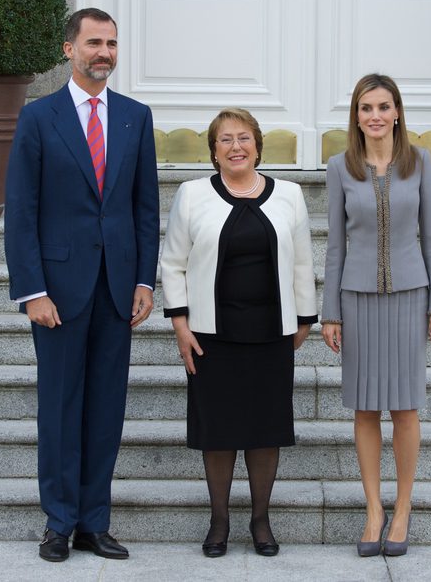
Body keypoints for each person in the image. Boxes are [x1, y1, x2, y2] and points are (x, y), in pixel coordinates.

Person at [4, 8, 160, 563]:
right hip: (59, 293)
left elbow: (145, 207)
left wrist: (145, 279)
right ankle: (58, 521)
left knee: (105, 411)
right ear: (69, 49)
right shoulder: (39, 118)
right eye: (94, 42)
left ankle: (95, 522)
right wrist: (32, 290)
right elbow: (21, 211)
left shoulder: (135, 118)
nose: (105, 53)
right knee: (61, 408)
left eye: (113, 44)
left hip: (118, 290)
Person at [159, 108, 317, 558]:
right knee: (220, 432)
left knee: (266, 430)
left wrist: (304, 321)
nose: (235, 147)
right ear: (213, 151)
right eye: (225, 139)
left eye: (243, 138)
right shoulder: (191, 195)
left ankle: (261, 520)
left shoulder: (289, 194)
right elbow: (173, 262)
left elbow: (303, 261)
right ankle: (219, 521)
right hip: (213, 336)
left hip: (271, 334)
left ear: (257, 146)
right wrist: (180, 325)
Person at [321, 73, 431, 557]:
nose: (374, 116)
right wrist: (329, 311)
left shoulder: (420, 163)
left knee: (406, 406)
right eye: (365, 108)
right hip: (356, 299)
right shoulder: (339, 167)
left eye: (382, 106)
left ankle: (403, 509)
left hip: (410, 296)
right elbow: (335, 245)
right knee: (364, 406)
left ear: (397, 112)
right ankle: (374, 508)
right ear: (356, 116)